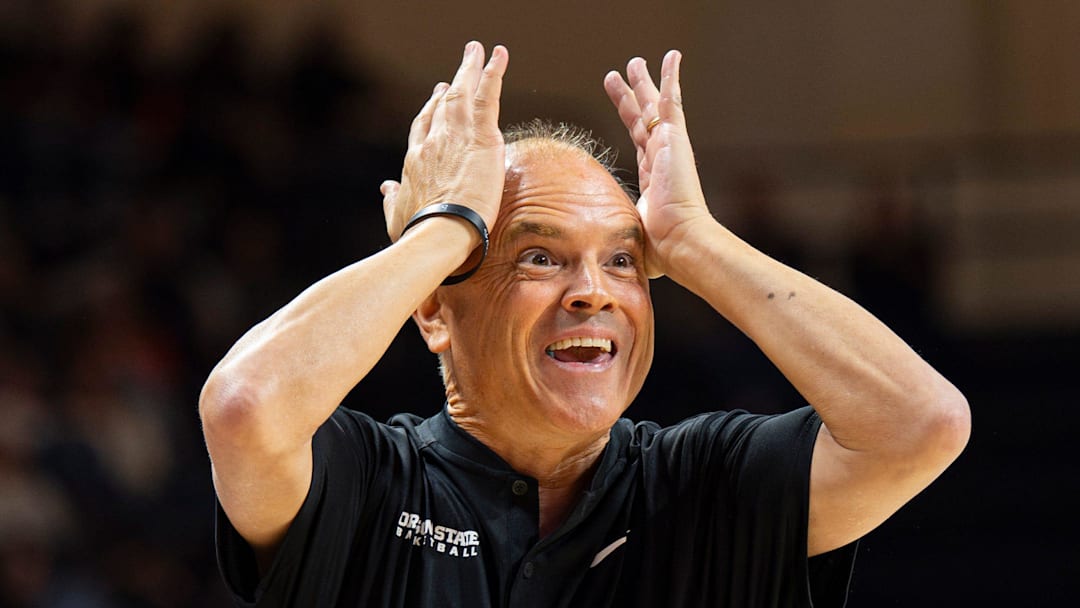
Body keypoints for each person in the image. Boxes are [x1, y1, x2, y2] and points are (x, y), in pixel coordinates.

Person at [199, 41, 970, 607]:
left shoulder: (706, 485)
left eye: (624, 260)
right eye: (540, 257)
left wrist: (695, 243)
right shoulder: (366, 481)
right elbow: (243, 407)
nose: (592, 292)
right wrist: (441, 233)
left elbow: (921, 423)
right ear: (432, 309)